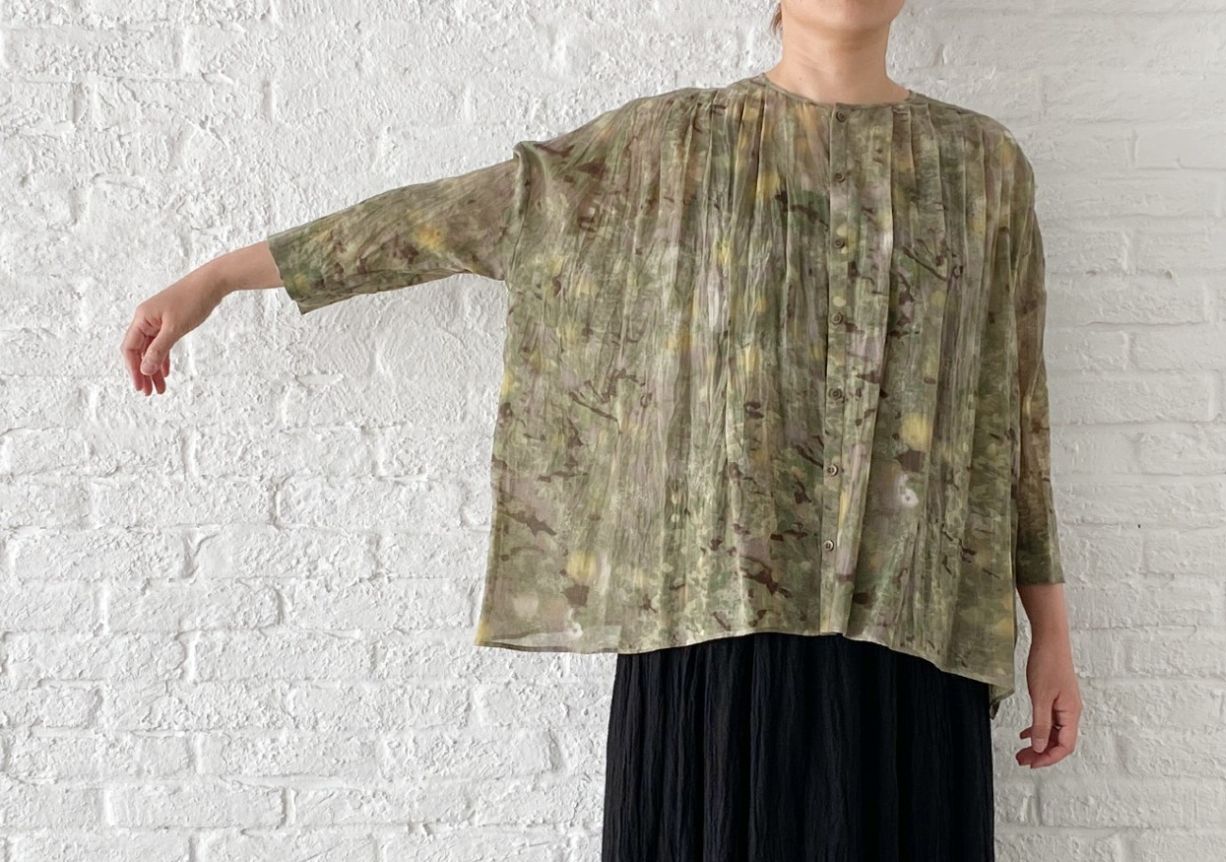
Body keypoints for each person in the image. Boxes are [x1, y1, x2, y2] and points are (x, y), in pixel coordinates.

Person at [121, 0, 1083, 858]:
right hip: (708, 634)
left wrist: (1050, 635)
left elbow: (1014, 414)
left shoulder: (982, 166)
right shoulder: (665, 146)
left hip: (912, 638)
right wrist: (222, 276)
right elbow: (455, 217)